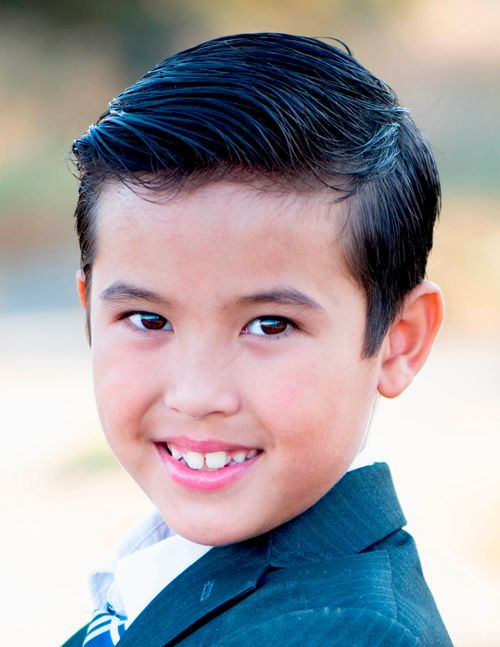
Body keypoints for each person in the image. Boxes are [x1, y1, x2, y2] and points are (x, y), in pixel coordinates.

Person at [62, 32, 453, 646]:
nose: (196, 394)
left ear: (398, 341)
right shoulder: (172, 567)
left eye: (270, 325)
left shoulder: (348, 635)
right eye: (147, 319)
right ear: (90, 313)